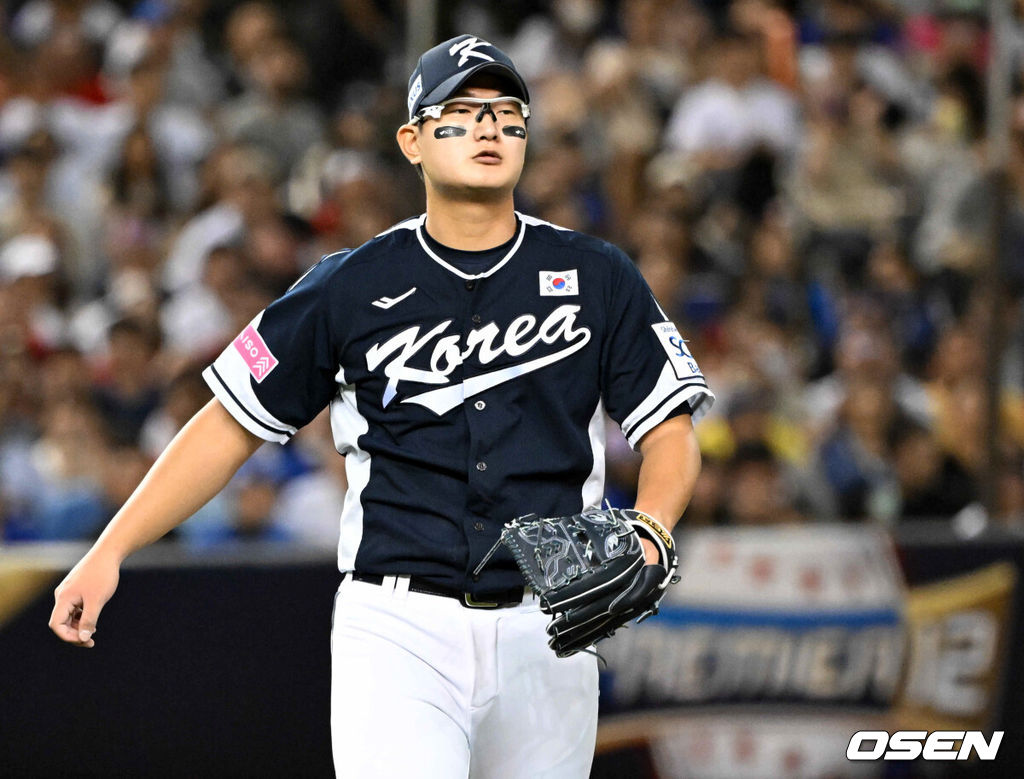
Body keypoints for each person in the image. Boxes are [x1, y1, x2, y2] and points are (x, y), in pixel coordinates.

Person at [49, 34, 713, 778]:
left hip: (548, 627)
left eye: (506, 114)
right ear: (413, 140)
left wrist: (651, 530)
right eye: (460, 112)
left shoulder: (595, 275)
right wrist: (111, 548)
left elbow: (670, 427)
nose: (489, 127)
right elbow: (228, 425)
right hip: (399, 627)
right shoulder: (349, 284)